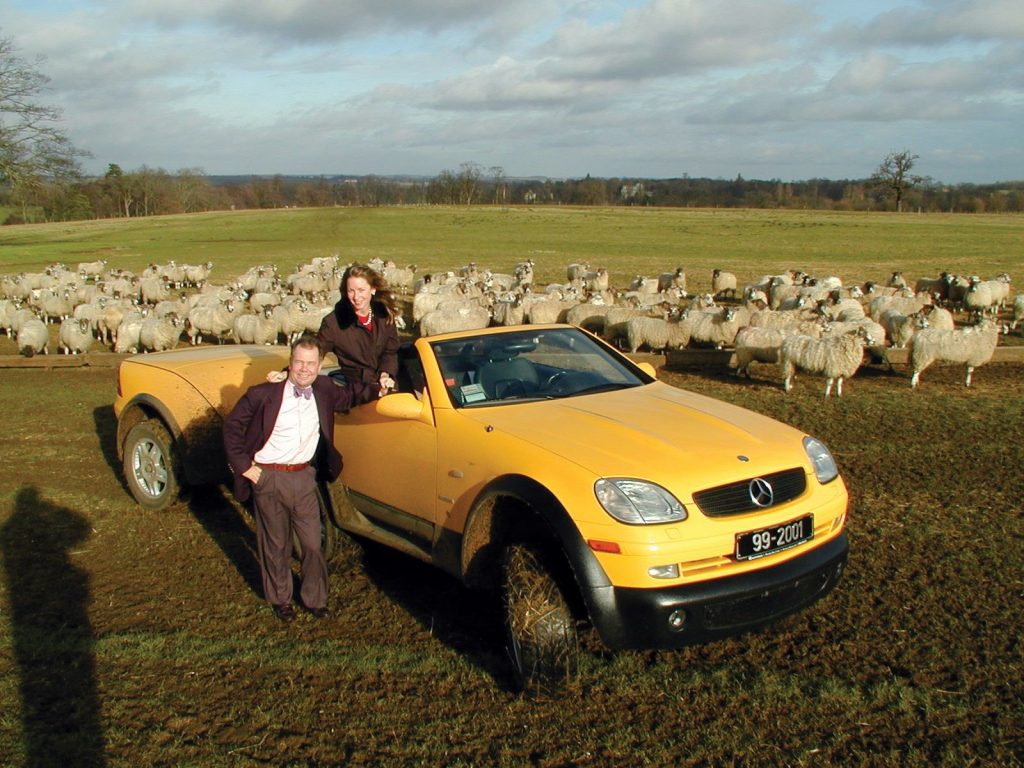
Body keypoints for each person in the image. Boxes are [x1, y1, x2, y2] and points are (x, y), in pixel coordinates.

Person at [223, 334, 378, 622]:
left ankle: (315, 599)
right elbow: (232, 428)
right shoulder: (263, 394)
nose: (304, 369)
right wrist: (245, 466)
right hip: (268, 477)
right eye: (299, 362)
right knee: (276, 544)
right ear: (290, 364)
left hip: (304, 477)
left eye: (310, 363)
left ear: (320, 365)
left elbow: (353, 395)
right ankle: (281, 599)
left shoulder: (325, 388)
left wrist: (381, 387)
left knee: (312, 544)